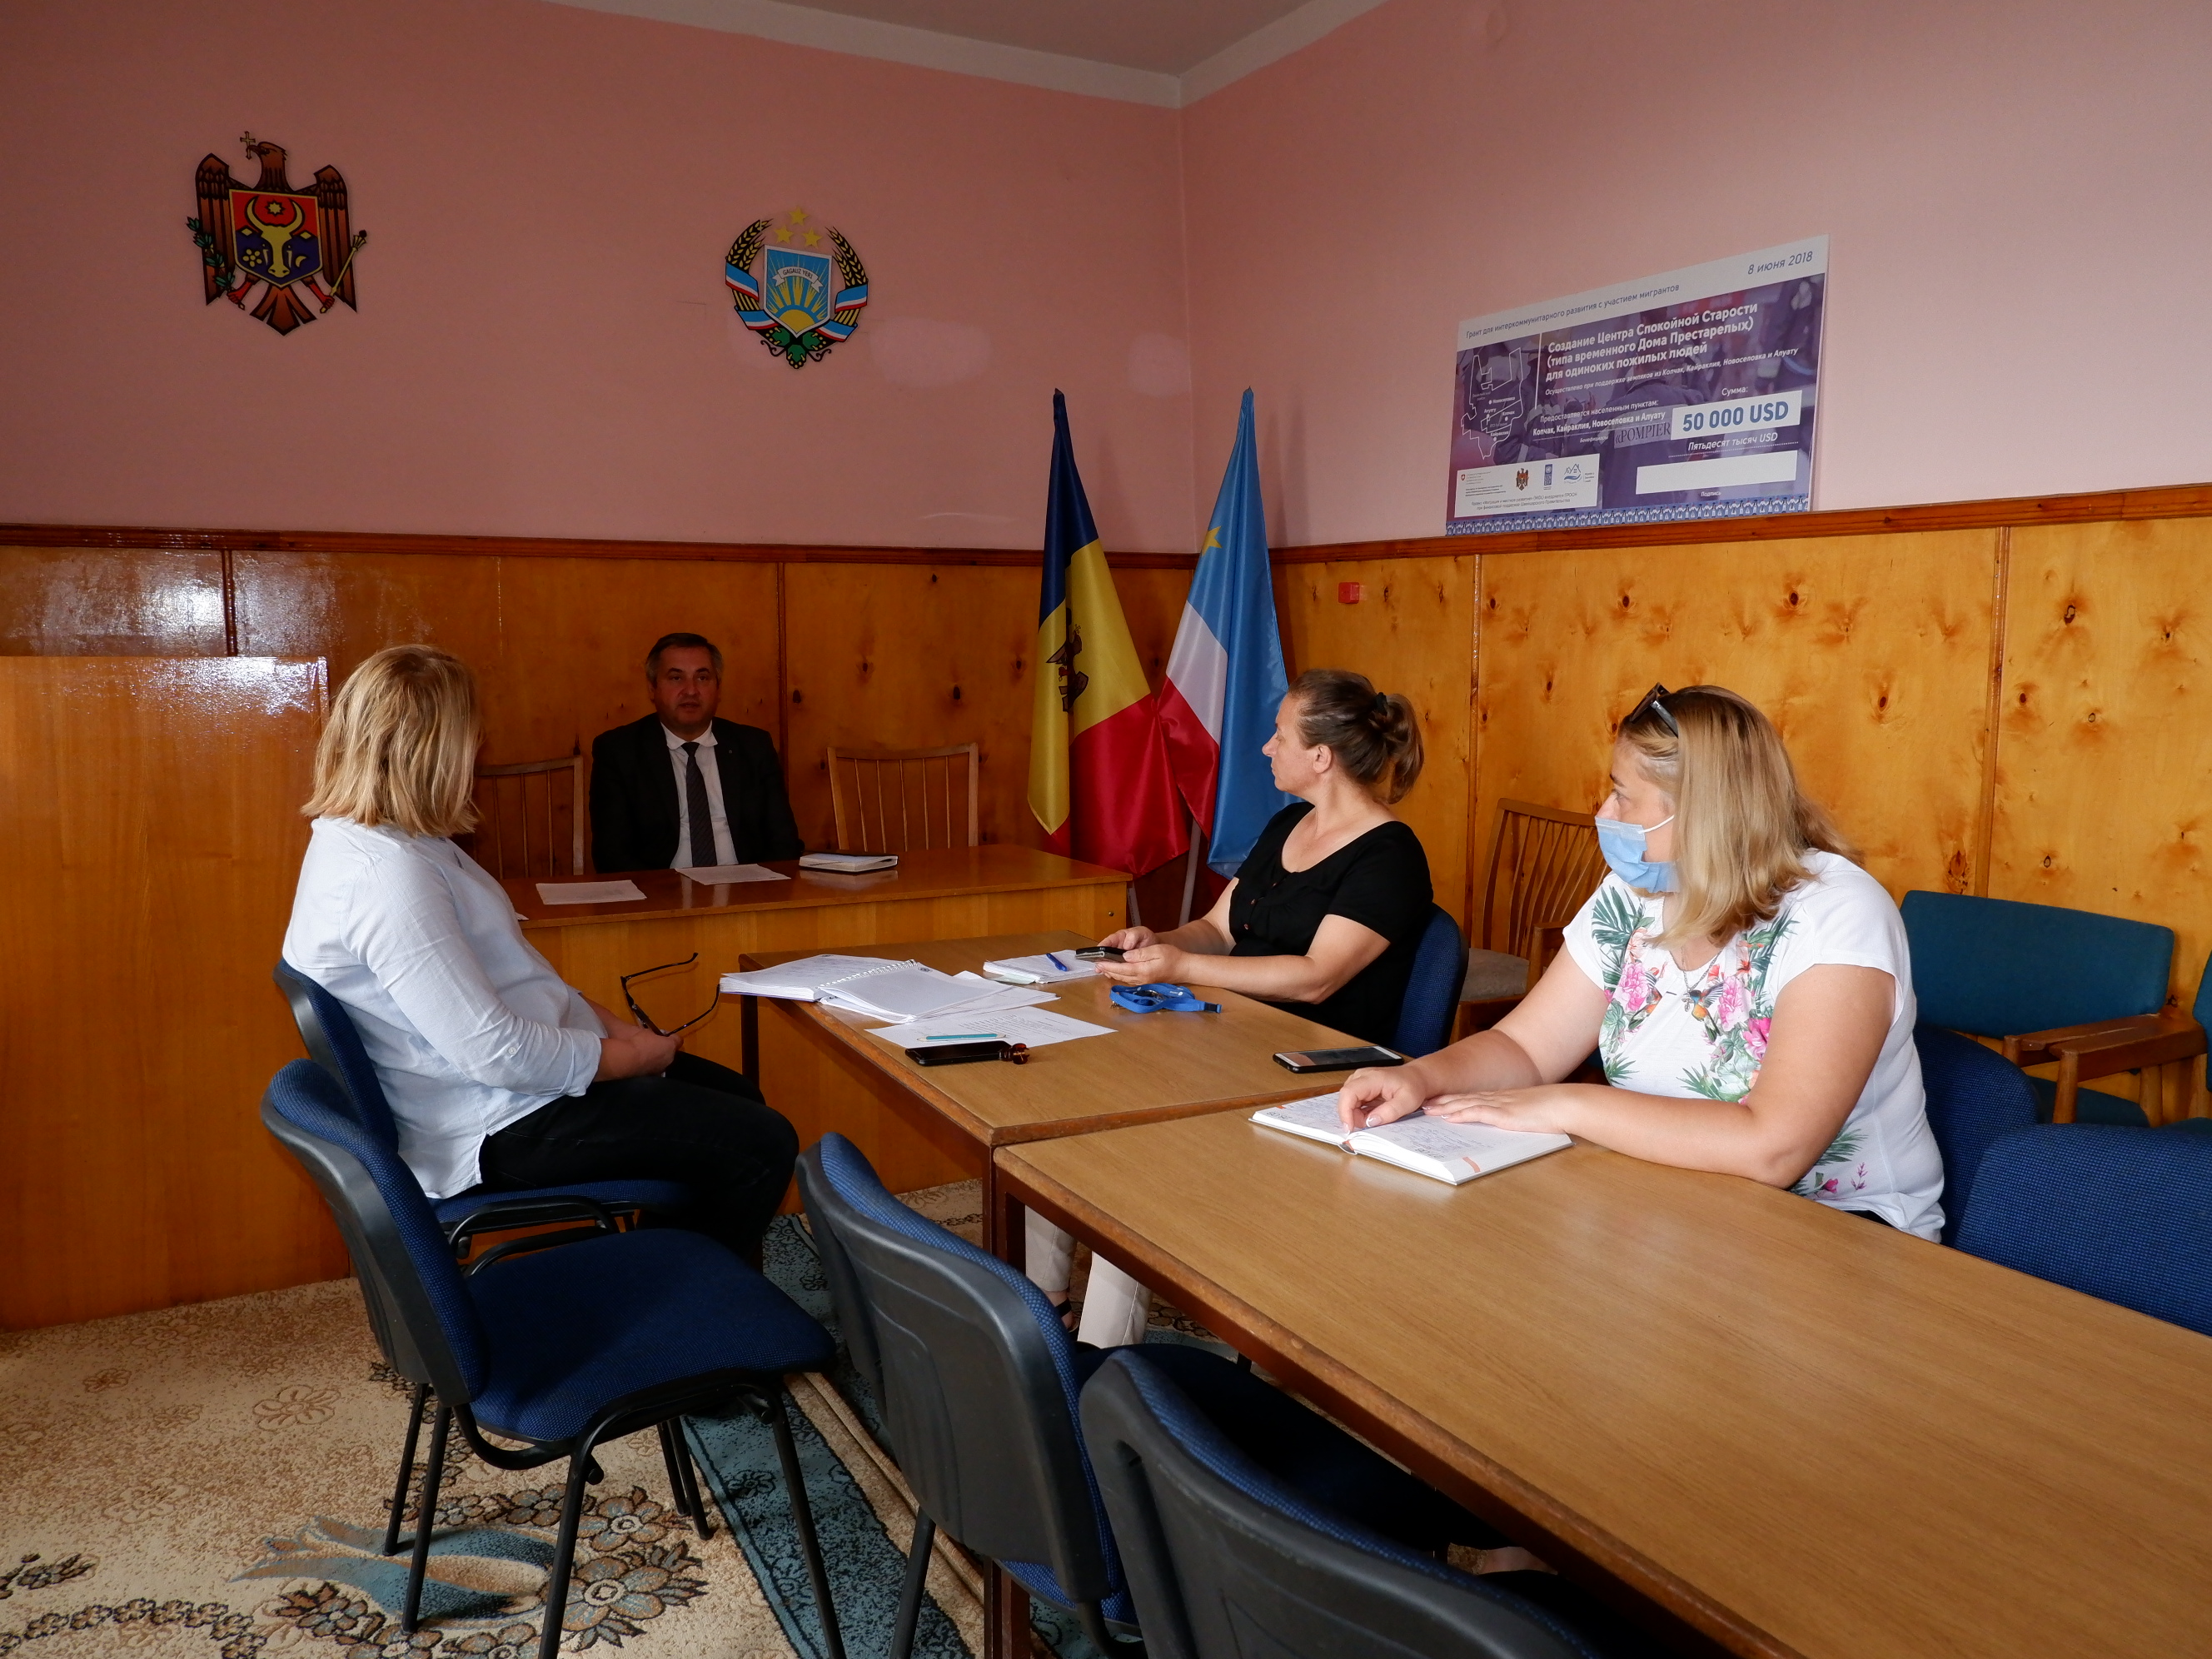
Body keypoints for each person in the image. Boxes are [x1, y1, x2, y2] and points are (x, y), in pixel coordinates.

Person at [1341, 683, 1945, 1238]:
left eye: (1624, 796)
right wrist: (1421, 1078)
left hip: (1843, 1236)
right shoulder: (1634, 894)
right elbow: (1525, 1048)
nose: (1605, 814)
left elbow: (1773, 1148)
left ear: (1704, 812)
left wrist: (1569, 1103)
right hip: (1679, 1208)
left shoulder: (1838, 918)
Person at [284, 645, 798, 1260]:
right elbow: (496, 1053)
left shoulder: (406, 842)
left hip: (524, 1086)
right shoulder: (387, 877)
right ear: (435, 748)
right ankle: (695, 1294)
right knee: (761, 1142)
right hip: (501, 1120)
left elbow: (518, 976)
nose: (479, 748)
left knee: (738, 1099)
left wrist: (616, 1031)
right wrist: (624, 1059)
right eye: (472, 734)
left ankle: (665, 1263)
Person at [1029, 668, 1435, 1347]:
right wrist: (1158, 942)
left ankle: (1103, 1361)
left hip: (1311, 1069)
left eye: (1280, 735)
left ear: (1321, 757)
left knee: (1133, 1159)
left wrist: (1184, 968)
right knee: (1066, 1110)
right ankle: (1048, 1308)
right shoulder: (1287, 824)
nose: (1266, 747)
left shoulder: (1390, 856)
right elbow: (1218, 929)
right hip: (1227, 1037)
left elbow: (1316, 980)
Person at [588, 631, 802, 873]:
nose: (690, 691)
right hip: (660, 890)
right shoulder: (619, 752)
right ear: (652, 688)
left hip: (747, 886)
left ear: (718, 688)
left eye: (702, 677)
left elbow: (784, 843)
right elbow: (612, 856)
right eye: (676, 678)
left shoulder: (754, 746)